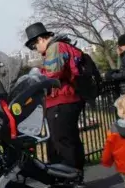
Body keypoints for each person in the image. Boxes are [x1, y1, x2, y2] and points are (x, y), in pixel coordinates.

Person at [24, 22, 85, 172]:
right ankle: (74, 174)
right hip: (69, 99)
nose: (36, 50)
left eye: (34, 46)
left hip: (61, 100)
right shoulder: (62, 46)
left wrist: (37, 75)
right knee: (69, 139)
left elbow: (53, 74)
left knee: (61, 140)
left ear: (40, 39)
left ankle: (70, 176)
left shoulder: (55, 48)